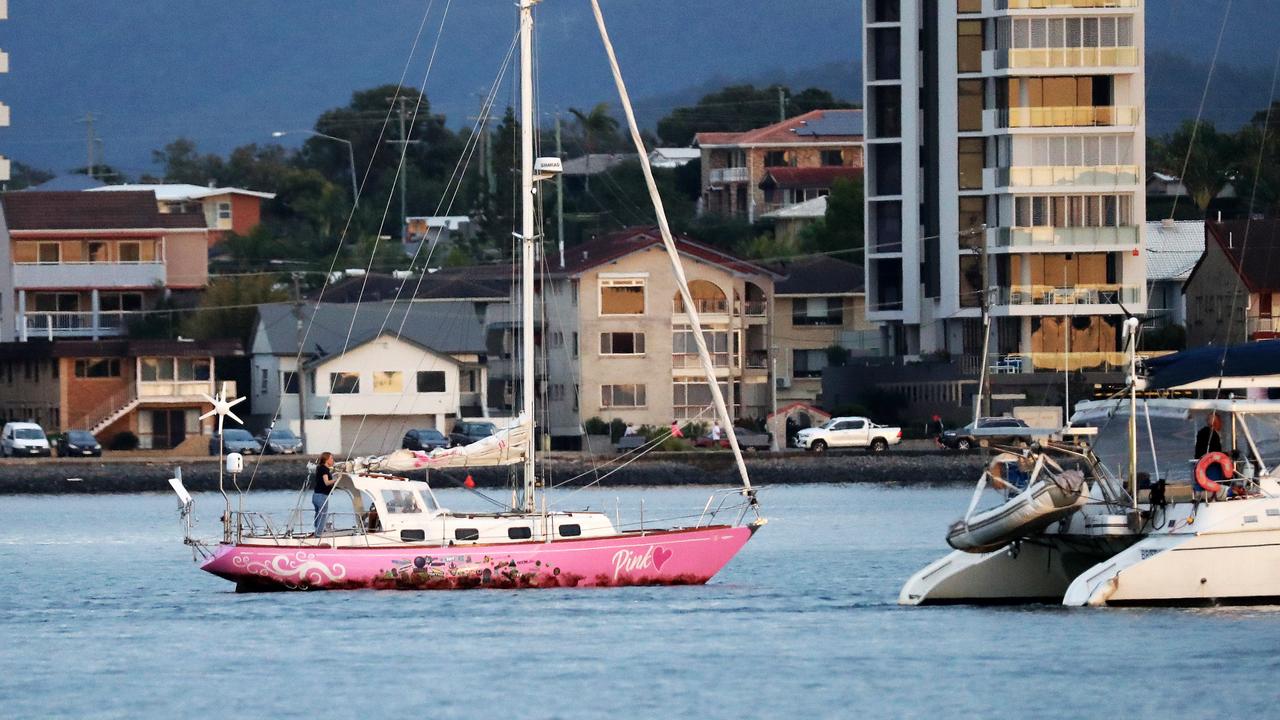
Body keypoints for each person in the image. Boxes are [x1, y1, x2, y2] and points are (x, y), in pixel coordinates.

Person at [312, 451, 336, 534]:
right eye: (331, 458)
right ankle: (318, 535)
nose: (333, 460)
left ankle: (316, 531)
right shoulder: (325, 469)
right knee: (322, 516)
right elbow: (326, 482)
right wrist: (336, 480)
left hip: (315, 495)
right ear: (327, 460)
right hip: (322, 496)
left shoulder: (320, 468)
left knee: (318, 515)